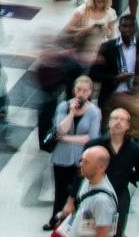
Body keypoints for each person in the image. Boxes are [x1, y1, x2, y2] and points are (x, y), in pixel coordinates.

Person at [65, 109, 139, 237]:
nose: (118, 122)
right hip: (94, 193)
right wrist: (70, 200)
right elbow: (80, 172)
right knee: (88, 231)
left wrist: (127, 176)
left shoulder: (133, 149)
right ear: (109, 122)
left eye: (122, 119)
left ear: (128, 125)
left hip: (119, 195)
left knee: (116, 231)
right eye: (115, 118)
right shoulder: (95, 145)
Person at [46, 75, 102, 231]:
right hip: (61, 157)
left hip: (81, 159)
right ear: (73, 90)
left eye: (85, 90)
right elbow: (60, 129)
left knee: (76, 192)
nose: (81, 93)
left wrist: (66, 138)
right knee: (60, 191)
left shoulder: (94, 112)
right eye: (78, 89)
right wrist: (71, 113)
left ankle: (72, 225)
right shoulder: (64, 106)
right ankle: (55, 221)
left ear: (90, 92)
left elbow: (91, 138)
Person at [89, 15, 139, 115]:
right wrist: (115, 78)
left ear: (136, 28)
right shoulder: (107, 47)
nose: (127, 30)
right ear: (119, 28)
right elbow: (93, 74)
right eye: (124, 26)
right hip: (112, 96)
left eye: (130, 26)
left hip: (137, 97)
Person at [57, 146, 118, 237]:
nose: (81, 164)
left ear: (100, 167)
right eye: (81, 160)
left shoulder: (102, 201)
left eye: (86, 162)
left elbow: (103, 234)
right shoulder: (87, 181)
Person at [65, 0, 119, 67]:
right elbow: (68, 29)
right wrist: (85, 29)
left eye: (103, 1)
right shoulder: (83, 10)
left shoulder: (110, 13)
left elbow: (112, 36)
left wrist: (107, 31)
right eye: (97, 0)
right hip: (84, 46)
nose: (99, 3)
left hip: (101, 47)